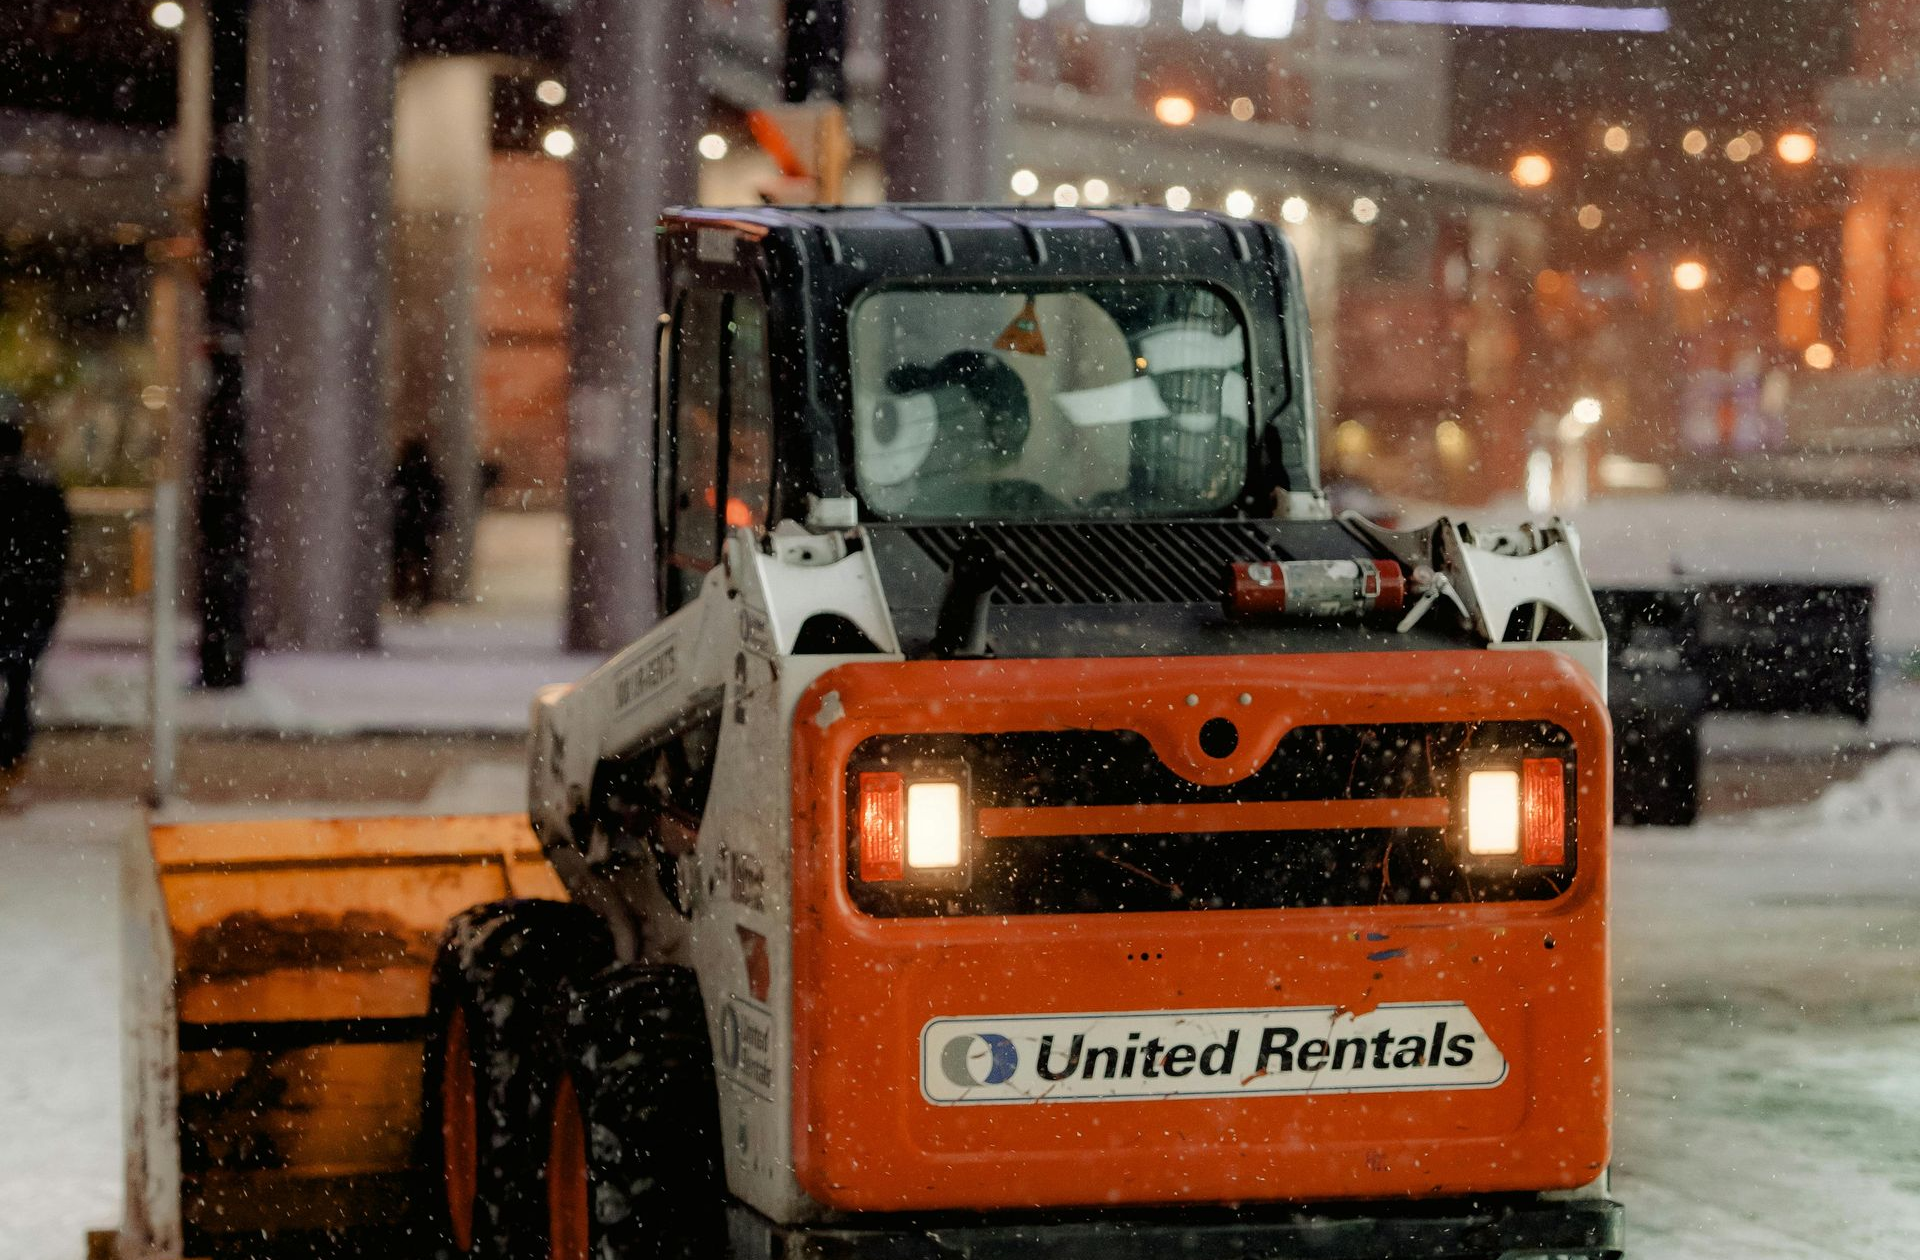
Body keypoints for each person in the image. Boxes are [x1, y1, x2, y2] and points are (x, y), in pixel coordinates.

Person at [0, 412, 71, 793]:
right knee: (20, 682)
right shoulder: (43, 488)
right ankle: (12, 759)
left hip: (14, 597)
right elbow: (59, 545)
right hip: (31, 601)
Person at [391, 437, 446, 612]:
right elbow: (438, 499)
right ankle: (422, 595)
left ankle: (404, 594)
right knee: (422, 562)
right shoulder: (428, 474)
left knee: (403, 564)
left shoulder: (402, 473)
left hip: (406, 525)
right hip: (421, 525)